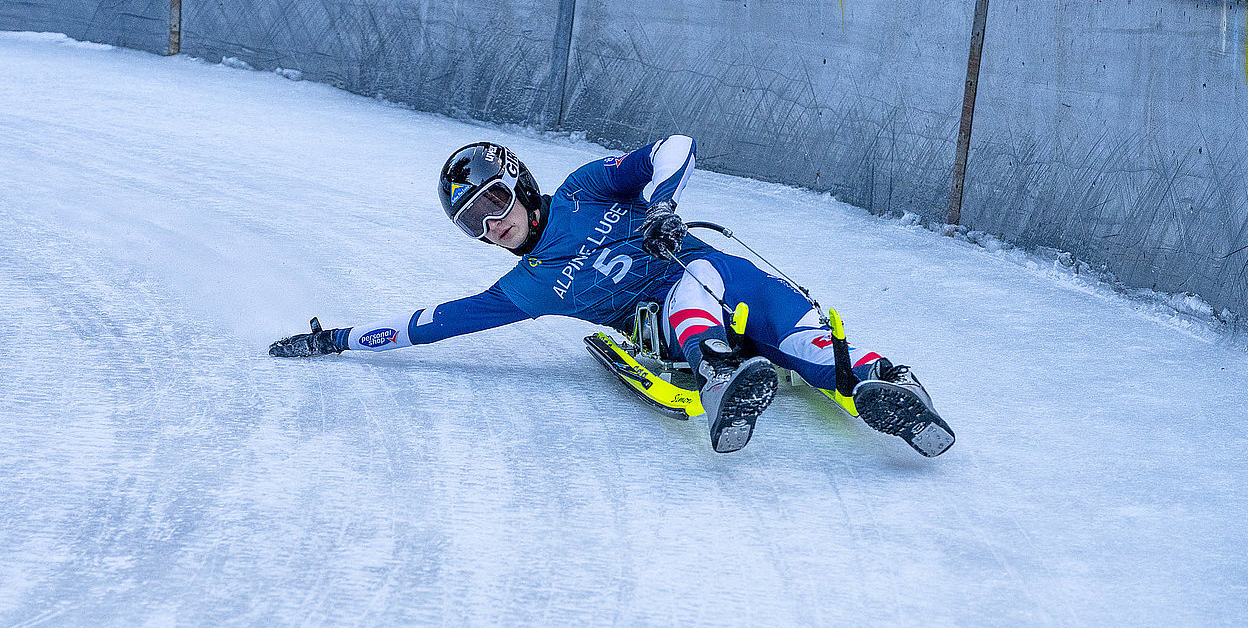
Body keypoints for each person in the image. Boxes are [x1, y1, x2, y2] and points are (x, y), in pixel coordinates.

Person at [269, 137, 953, 455]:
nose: (493, 224)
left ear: (520, 181)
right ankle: (720, 376)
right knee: (690, 290)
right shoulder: (524, 287)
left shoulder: (584, 190)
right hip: (671, 324)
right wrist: (336, 338)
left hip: (729, 282)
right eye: (474, 223)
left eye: (495, 200)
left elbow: (676, 146)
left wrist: (658, 206)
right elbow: (430, 324)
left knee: (801, 332)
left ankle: (894, 390)